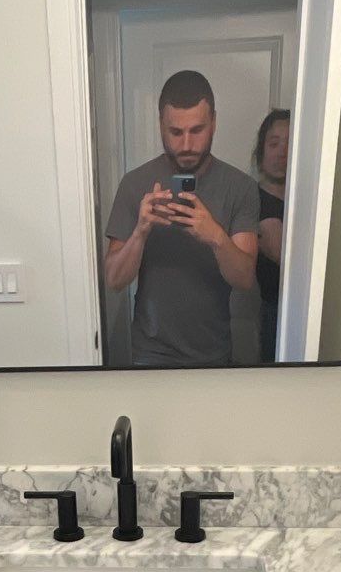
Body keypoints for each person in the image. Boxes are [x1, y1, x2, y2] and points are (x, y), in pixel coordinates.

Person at [103, 71, 260, 368]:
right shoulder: (135, 184)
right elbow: (113, 280)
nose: (187, 144)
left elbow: (244, 278)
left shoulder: (240, 187)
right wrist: (140, 232)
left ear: (214, 122)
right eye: (175, 133)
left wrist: (214, 235)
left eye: (197, 130)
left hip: (214, 352)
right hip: (150, 352)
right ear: (161, 126)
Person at [252, 108, 290, 363]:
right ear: (262, 150)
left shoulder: (307, 197)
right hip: (276, 310)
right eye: (274, 143)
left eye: (290, 143)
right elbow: (282, 254)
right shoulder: (256, 200)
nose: (281, 153)